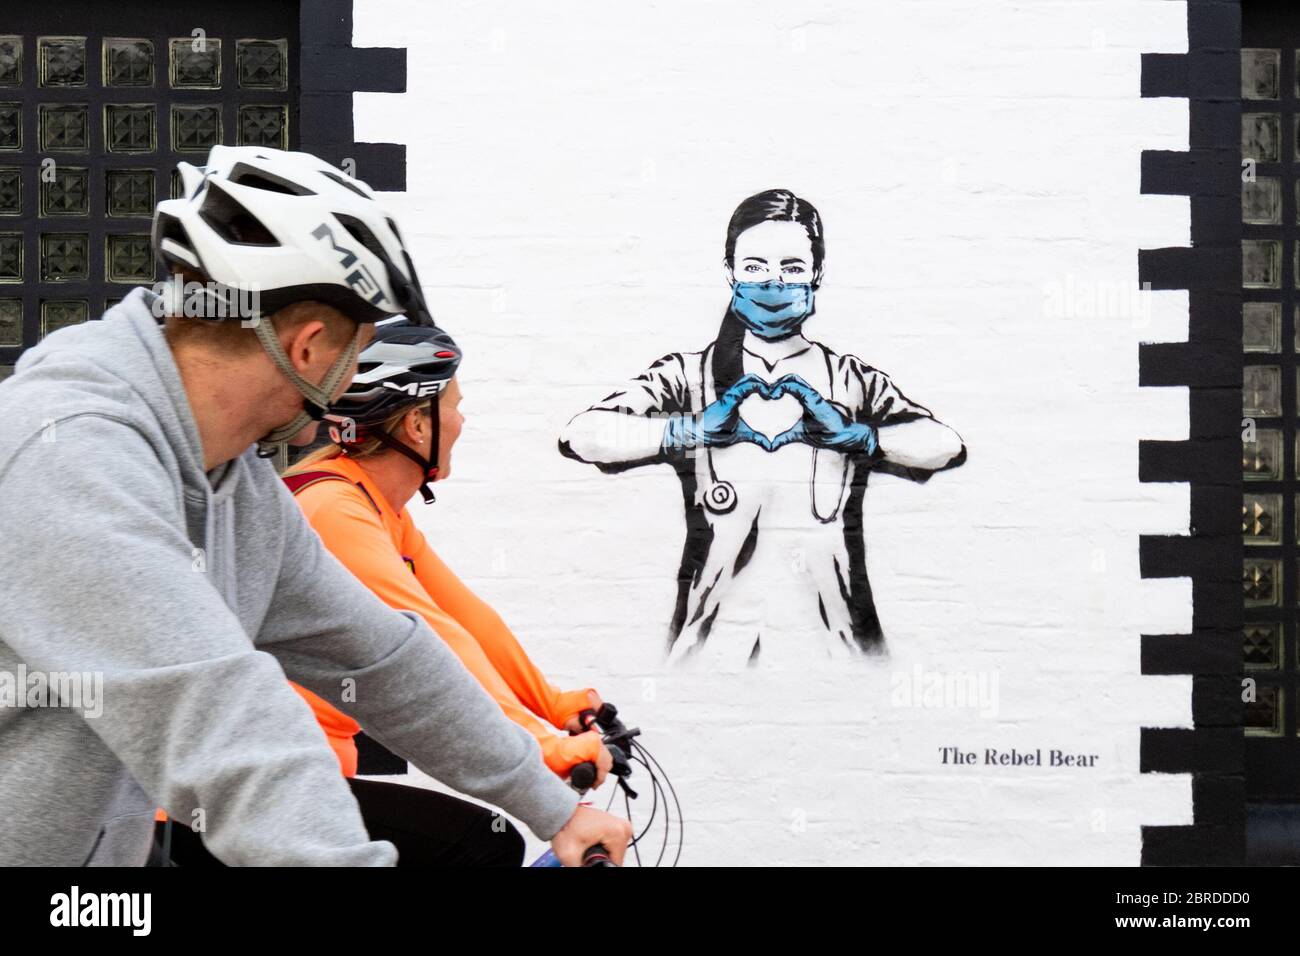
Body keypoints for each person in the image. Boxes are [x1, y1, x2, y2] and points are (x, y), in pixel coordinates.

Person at [0, 145, 630, 866]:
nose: (355, 377)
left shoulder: (234, 485)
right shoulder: (66, 455)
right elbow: (222, 718)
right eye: (358, 350)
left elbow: (384, 657)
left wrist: (548, 804)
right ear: (308, 350)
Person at [560, 189, 966, 668]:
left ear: (817, 272)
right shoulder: (689, 376)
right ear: (730, 271)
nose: (773, 283)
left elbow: (944, 444)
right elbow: (582, 435)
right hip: (709, 654)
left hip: (839, 654)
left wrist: (862, 438)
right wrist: (688, 430)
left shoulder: (850, 380)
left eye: (792, 268)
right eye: (754, 267)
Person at [280, 319, 615, 792]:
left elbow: (465, 618)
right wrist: (537, 743)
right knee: (481, 846)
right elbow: (433, 641)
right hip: (259, 792)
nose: (462, 420)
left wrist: (552, 702)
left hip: (306, 780)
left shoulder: (375, 506)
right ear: (417, 424)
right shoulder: (332, 509)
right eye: (455, 406)